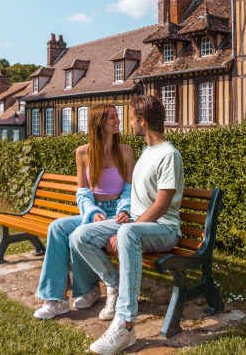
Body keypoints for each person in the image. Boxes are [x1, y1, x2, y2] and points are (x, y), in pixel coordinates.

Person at [70, 95, 184, 355]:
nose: (128, 123)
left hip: (164, 229)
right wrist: (124, 216)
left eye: (131, 118)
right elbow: (138, 198)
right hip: (138, 224)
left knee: (128, 234)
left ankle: (125, 326)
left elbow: (161, 206)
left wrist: (126, 227)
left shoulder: (169, 154)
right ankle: (115, 283)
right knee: (80, 236)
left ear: (142, 121)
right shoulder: (146, 150)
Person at [34, 104, 135, 320]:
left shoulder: (126, 151)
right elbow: (83, 193)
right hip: (95, 212)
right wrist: (91, 211)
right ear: (98, 123)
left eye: (117, 116)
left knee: (80, 233)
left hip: (117, 214)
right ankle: (56, 299)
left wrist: (124, 210)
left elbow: (129, 189)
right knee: (57, 227)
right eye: (112, 117)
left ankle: (88, 290)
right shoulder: (83, 152)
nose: (117, 121)